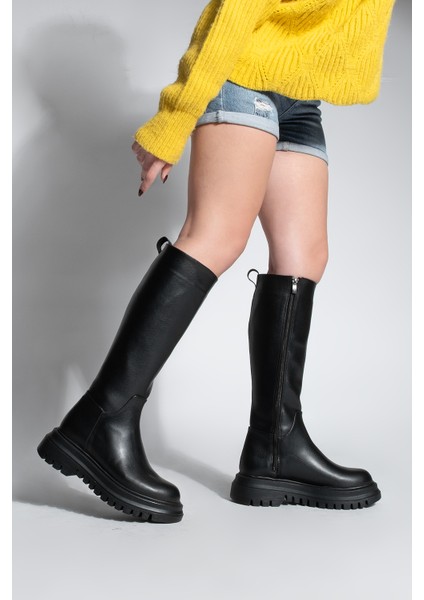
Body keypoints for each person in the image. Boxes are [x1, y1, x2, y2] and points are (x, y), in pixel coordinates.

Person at [38, 0, 396, 523]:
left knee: (304, 258)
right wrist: (173, 120)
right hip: (245, 82)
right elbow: (233, 13)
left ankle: (275, 447)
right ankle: (101, 418)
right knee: (216, 236)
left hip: (300, 100)